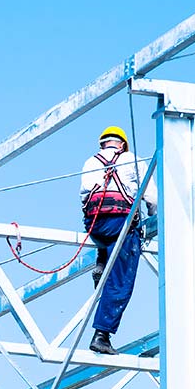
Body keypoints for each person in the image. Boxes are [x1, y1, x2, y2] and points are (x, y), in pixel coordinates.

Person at [79, 125, 156, 355]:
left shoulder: (89, 162)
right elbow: (151, 196)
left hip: (94, 226)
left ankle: (102, 261)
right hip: (119, 223)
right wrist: (153, 219)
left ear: (103, 143)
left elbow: (83, 196)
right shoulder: (131, 159)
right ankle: (102, 334)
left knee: (107, 242)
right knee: (120, 280)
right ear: (122, 145)